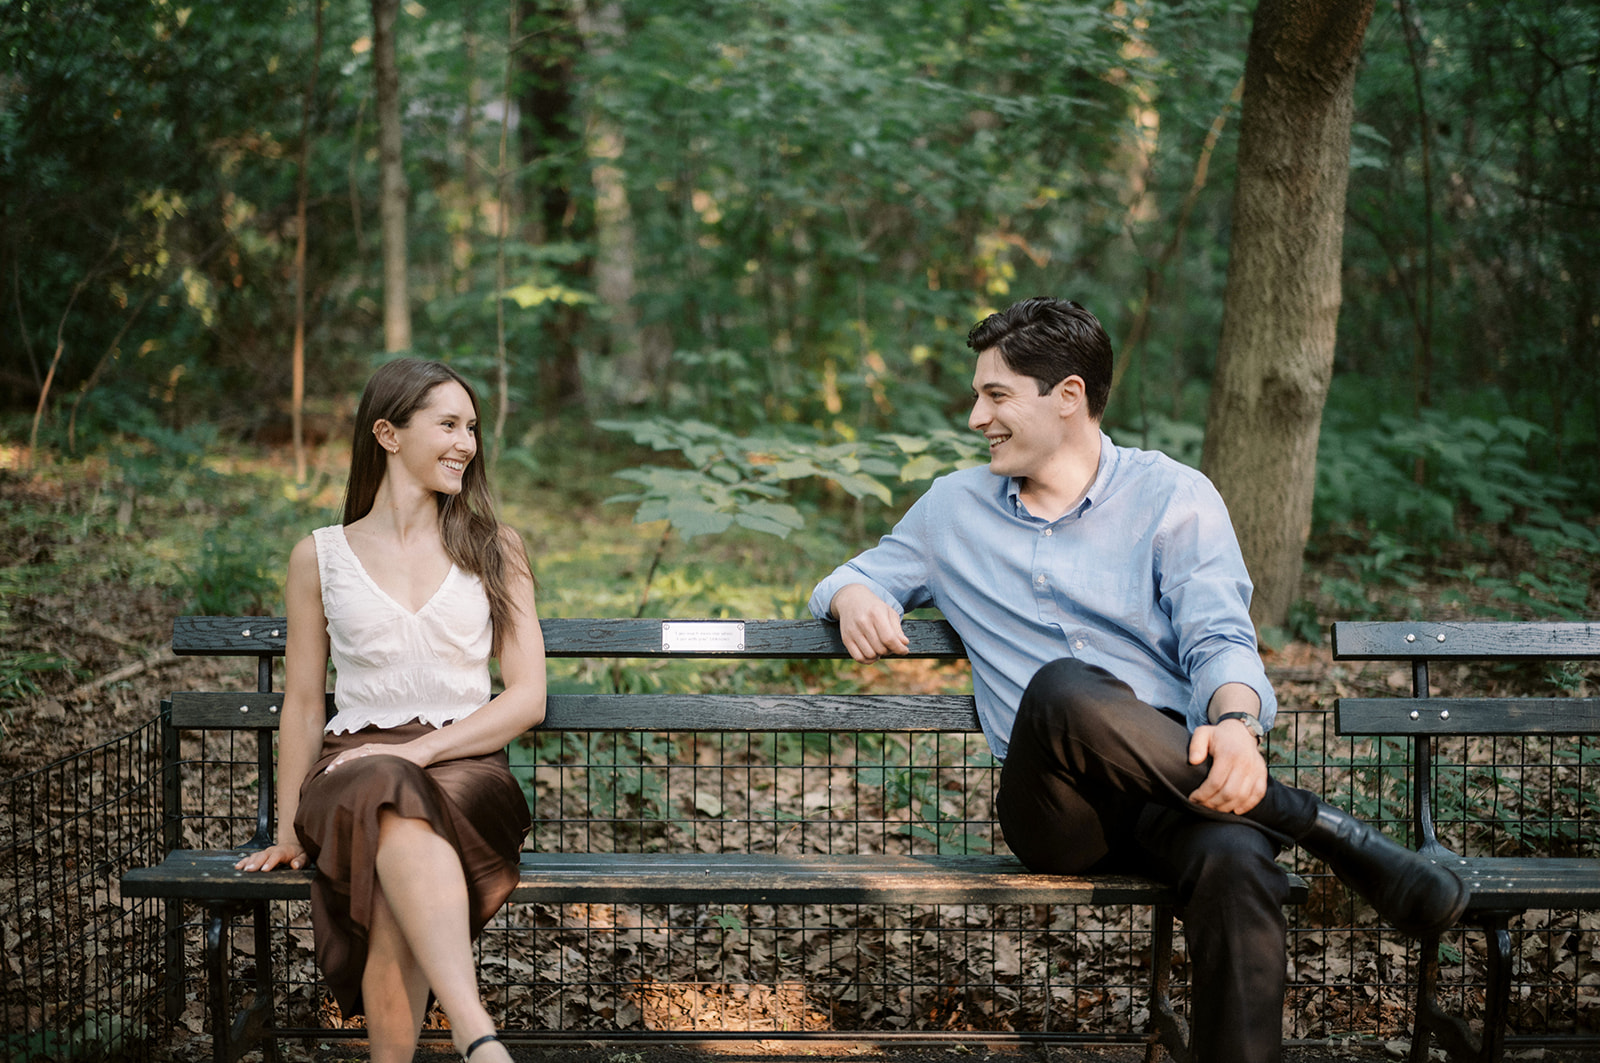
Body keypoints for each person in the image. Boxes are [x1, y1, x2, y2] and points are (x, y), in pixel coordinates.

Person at [808, 297, 1469, 1063]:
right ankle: (1323, 829)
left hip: (1177, 784)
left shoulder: (1172, 495)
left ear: (1069, 397)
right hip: (1060, 809)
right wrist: (855, 593)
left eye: (994, 395)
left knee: (1237, 860)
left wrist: (1233, 725)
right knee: (1060, 688)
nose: (974, 417)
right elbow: (851, 577)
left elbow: (1220, 637)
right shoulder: (952, 508)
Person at [237, 358, 544, 1063]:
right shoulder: (320, 556)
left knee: (393, 802)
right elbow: (307, 701)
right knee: (380, 788)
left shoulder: (497, 547)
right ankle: (479, 1036)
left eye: (471, 427)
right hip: (350, 769)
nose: (466, 442)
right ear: (387, 433)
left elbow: (527, 697)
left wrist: (419, 752)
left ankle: (468, 1035)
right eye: (447, 424)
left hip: (465, 767)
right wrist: (287, 827)